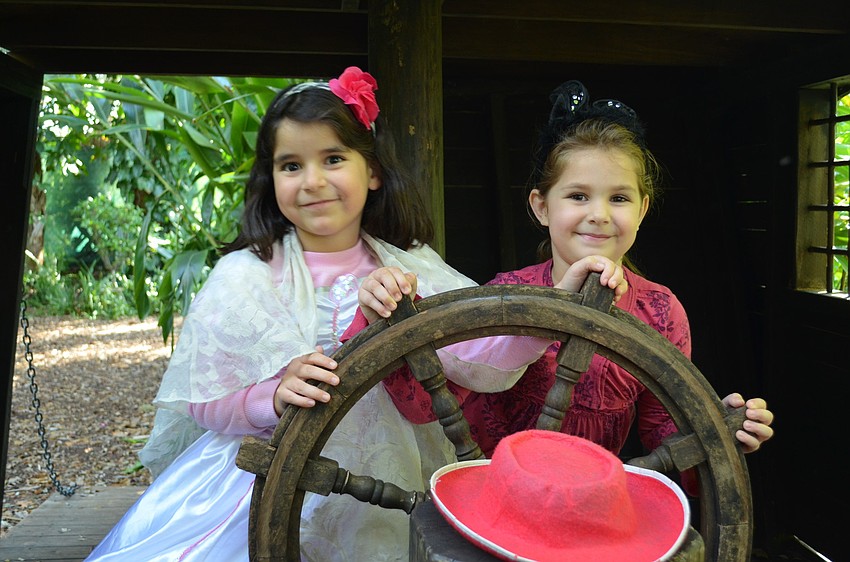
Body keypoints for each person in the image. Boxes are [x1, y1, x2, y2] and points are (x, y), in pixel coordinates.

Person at [85, 66, 480, 562]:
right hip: (258, 484)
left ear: (373, 171)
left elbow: (480, 350)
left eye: (333, 158)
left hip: (388, 478)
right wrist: (269, 398)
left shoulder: (411, 267)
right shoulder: (244, 275)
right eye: (291, 165)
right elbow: (205, 398)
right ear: (270, 180)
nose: (313, 181)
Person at [352, 80, 774, 474]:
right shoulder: (504, 295)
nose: (599, 214)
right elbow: (431, 402)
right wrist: (386, 314)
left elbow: (663, 432)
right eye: (578, 196)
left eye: (619, 198)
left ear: (643, 210)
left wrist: (716, 433)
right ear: (541, 207)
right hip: (492, 498)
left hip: (590, 502)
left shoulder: (661, 312)